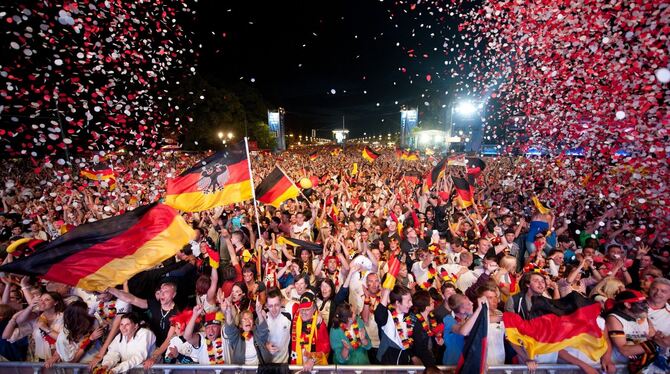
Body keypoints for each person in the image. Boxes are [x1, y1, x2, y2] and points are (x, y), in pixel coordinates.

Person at [106, 281, 179, 368]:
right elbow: (131, 299)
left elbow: (169, 339)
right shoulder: (154, 304)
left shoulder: (176, 313)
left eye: (166, 291)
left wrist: (155, 356)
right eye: (161, 291)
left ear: (173, 294)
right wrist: (109, 289)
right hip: (151, 346)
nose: (162, 294)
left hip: (167, 350)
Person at [374, 285, 435, 367]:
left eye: (411, 300)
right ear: (397, 303)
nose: (411, 304)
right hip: (387, 363)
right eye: (408, 301)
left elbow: (416, 341)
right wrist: (387, 292)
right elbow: (379, 313)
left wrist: (413, 356)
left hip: (404, 362)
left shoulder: (410, 316)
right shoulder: (387, 316)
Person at [47, 300, 103, 367]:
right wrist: (90, 340)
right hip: (79, 365)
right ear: (80, 318)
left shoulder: (93, 322)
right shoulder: (63, 338)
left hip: (96, 358)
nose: (90, 314)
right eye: (87, 312)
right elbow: (71, 362)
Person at [289, 291, 330, 371]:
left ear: (314, 308)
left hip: (314, 368)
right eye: (302, 309)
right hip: (296, 365)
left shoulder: (319, 324)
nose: (303, 312)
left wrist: (312, 359)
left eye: (307, 309)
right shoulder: (295, 318)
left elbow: (325, 348)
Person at [263, 288, 292, 364]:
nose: (273, 309)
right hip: (267, 364)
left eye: (276, 305)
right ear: (266, 305)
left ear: (281, 303)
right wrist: (265, 346)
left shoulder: (288, 316)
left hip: (284, 363)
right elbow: (256, 339)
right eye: (270, 306)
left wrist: (317, 313)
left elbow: (305, 309)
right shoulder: (263, 319)